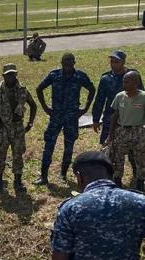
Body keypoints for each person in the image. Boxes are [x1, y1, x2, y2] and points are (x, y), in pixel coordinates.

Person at [35, 53, 95, 184]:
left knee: (69, 146)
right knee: (49, 144)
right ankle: (44, 176)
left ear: (74, 63)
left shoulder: (80, 76)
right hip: (56, 116)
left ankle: (63, 174)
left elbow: (92, 89)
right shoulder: (54, 75)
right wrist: (45, 107)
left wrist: (85, 108)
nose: (68, 66)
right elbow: (39, 89)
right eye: (65, 63)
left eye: (70, 63)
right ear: (61, 63)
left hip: (71, 117)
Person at [0, 63, 37, 194]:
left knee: (18, 156)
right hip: (2, 128)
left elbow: (33, 105)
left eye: (13, 74)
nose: (11, 77)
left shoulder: (22, 90)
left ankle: (18, 182)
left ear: (16, 74)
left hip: (17, 128)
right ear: (3, 76)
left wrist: (30, 123)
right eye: (8, 75)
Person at [105, 71, 145, 190]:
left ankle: (140, 184)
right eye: (123, 81)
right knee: (118, 158)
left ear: (136, 83)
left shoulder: (143, 97)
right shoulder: (120, 96)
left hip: (138, 131)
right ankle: (117, 183)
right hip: (122, 131)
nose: (124, 84)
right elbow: (114, 116)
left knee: (141, 158)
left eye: (127, 82)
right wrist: (110, 134)